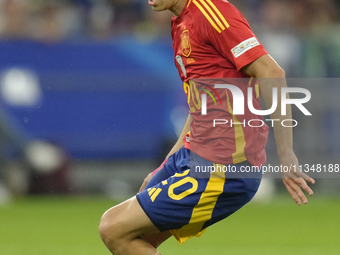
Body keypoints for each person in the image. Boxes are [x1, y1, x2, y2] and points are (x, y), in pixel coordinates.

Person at [99, 0, 316, 254]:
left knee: (112, 227)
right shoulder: (179, 22)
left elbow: (272, 72)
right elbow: (202, 101)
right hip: (194, 152)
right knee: (132, 237)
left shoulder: (213, 12)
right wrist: (169, 160)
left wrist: (286, 154)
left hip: (226, 167)